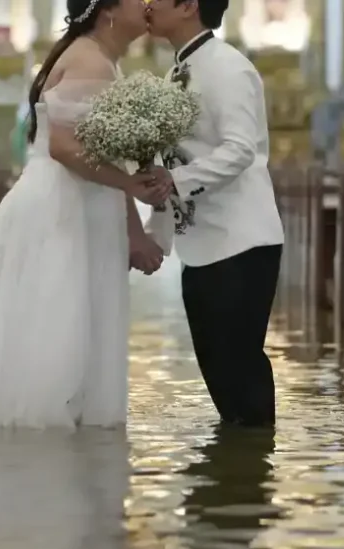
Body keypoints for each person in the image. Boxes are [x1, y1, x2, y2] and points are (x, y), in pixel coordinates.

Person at [0, 0, 168, 428]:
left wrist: (132, 224)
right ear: (107, 10)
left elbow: (105, 154)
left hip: (79, 202)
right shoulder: (90, 62)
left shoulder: (100, 60)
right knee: (55, 325)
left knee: (71, 321)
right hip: (60, 206)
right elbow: (63, 147)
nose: (148, 3)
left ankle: (68, 442)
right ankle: (45, 450)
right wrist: (130, 187)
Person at [145, 0, 285, 427]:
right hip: (202, 246)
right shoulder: (177, 73)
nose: (148, 4)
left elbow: (241, 149)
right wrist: (157, 238)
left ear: (188, 6)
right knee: (220, 378)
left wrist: (176, 182)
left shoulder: (228, 67)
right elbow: (173, 161)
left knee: (241, 374)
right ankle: (234, 478)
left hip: (241, 242)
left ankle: (254, 475)